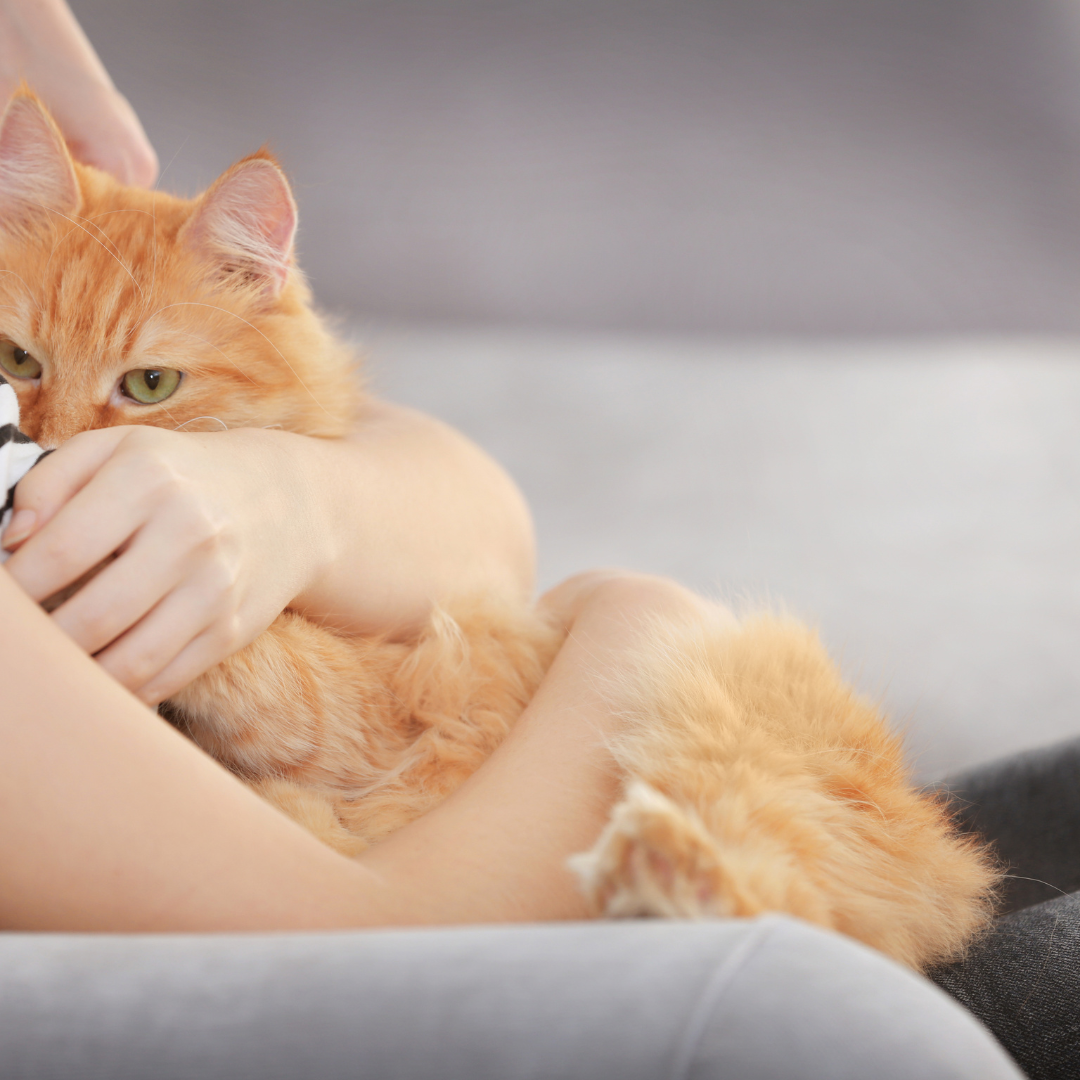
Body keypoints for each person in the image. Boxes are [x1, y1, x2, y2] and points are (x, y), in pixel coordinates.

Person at [0, 3, 1031, 1078]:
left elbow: (483, 526)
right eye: (22, 366)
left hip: (587, 803)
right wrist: (636, 628)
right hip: (595, 914)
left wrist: (290, 494)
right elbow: (374, 941)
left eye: (147, 386)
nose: (58, 431)